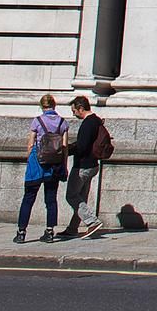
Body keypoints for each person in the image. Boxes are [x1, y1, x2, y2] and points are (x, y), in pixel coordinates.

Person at [15, 94, 69, 243]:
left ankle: (21, 232)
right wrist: (64, 166)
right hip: (54, 165)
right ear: (54, 105)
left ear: (42, 106)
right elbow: (64, 147)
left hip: (37, 164)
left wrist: (30, 160)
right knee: (51, 200)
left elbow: (30, 144)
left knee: (28, 198)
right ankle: (50, 232)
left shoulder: (37, 121)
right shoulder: (63, 123)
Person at [64, 96, 106, 236]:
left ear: (81, 108)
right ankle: (72, 228)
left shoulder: (88, 124)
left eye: (74, 110)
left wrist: (66, 150)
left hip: (83, 165)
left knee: (71, 195)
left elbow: (82, 147)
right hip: (93, 164)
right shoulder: (96, 121)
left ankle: (92, 222)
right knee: (81, 196)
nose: (74, 114)